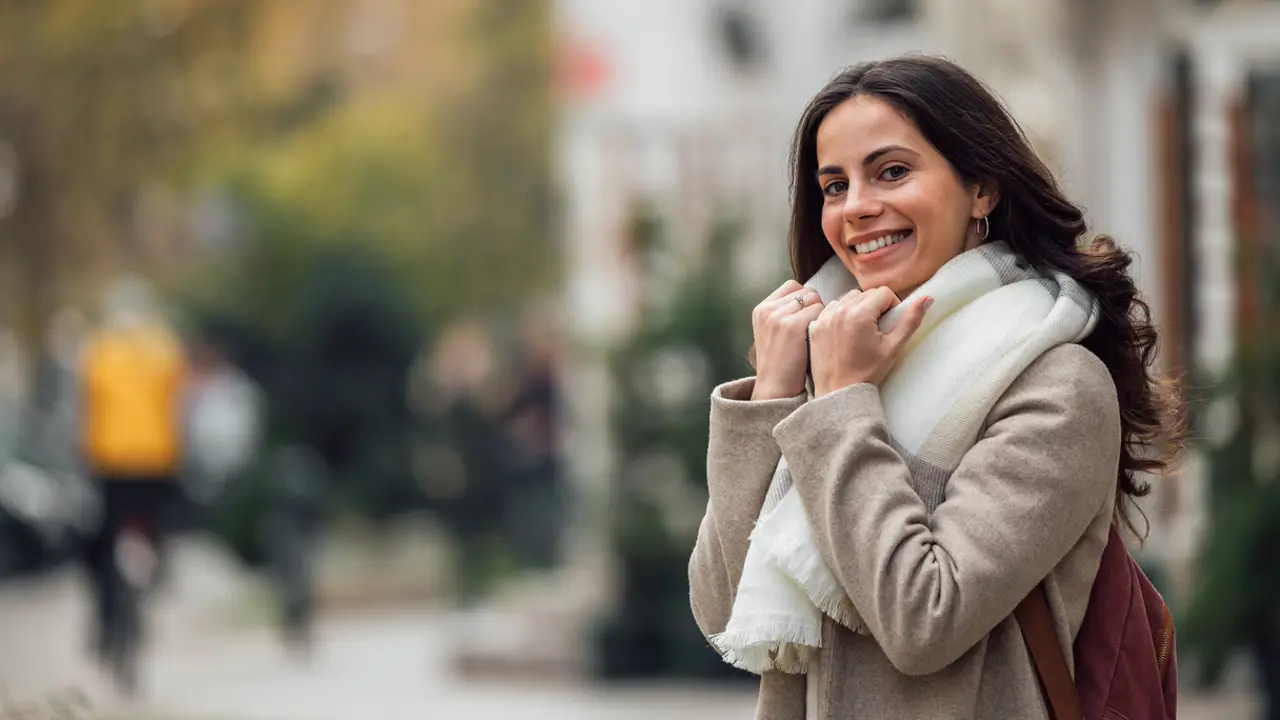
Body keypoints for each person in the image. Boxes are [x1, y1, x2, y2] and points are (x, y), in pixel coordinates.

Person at [688, 56, 1183, 719]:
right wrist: (772, 398)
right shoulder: (838, 366)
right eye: (834, 185)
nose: (857, 207)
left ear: (981, 188)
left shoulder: (1057, 384)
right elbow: (724, 610)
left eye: (891, 172)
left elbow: (926, 619)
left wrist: (839, 409)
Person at [79, 277, 187, 661]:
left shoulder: (100, 351)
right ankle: (152, 577)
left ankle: (105, 622)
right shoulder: (165, 349)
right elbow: (180, 401)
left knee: (103, 541)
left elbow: (87, 404)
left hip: (110, 463)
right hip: (157, 462)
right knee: (157, 529)